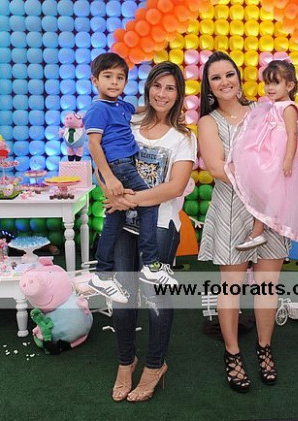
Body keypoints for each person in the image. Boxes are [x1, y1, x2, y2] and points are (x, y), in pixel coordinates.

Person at [98, 61, 196, 402]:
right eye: (157, 85)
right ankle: (126, 362)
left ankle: (155, 365)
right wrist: (110, 190)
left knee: (156, 296)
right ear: (147, 87)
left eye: (170, 88)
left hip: (160, 226)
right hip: (122, 223)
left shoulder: (183, 138)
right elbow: (103, 164)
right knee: (122, 295)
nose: (162, 94)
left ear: (178, 94)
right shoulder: (129, 121)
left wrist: (130, 199)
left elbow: (175, 187)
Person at [197, 51, 288, 392]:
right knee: (231, 285)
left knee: (267, 284)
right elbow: (217, 168)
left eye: (229, 74)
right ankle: (233, 352)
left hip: (270, 208)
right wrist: (258, 178)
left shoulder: (264, 111)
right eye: (216, 77)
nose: (224, 82)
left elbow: (282, 151)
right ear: (208, 86)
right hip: (232, 208)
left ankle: (264, 347)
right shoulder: (208, 123)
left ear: (239, 77)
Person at [84, 52, 170, 304]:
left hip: (126, 164)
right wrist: (109, 177)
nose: (114, 82)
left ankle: (102, 274)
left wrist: (164, 109)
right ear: (95, 81)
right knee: (149, 203)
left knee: (115, 217)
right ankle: (151, 263)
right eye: (107, 76)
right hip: (118, 166)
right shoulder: (98, 109)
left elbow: (142, 109)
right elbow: (94, 145)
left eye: (120, 78)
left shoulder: (121, 105)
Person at [225, 59, 298, 249]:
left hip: (280, 155)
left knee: (270, 190)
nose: (269, 88)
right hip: (269, 152)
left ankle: (259, 232)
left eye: (275, 83)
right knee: (261, 190)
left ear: (289, 85)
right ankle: (257, 231)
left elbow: (292, 134)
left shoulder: (289, 108)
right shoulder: (272, 106)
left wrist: (288, 160)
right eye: (267, 83)